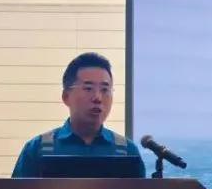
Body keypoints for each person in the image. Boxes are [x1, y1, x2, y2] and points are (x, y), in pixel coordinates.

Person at [11, 52, 144, 178]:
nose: (98, 98)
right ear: (66, 96)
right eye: (88, 88)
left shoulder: (127, 151)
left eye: (105, 89)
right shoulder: (37, 149)